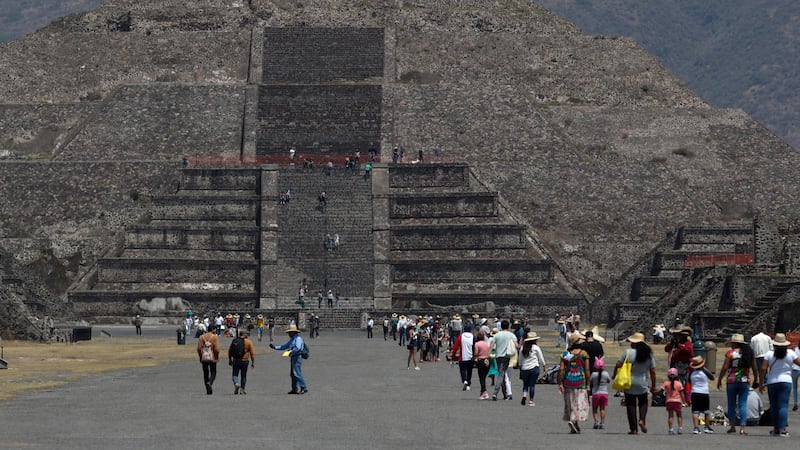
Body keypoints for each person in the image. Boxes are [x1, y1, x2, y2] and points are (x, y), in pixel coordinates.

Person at [758, 333, 800, 437]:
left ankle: (776, 428)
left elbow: (763, 368)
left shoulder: (769, 354)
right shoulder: (790, 353)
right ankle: (782, 429)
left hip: (772, 381)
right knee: (783, 406)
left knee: (774, 406)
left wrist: (761, 382)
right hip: (786, 381)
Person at [717, 333, 759, 435]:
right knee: (742, 404)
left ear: (735, 343)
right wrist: (756, 379)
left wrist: (719, 379)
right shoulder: (748, 353)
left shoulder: (730, 353)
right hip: (744, 380)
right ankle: (742, 428)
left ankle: (732, 426)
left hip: (731, 381)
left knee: (731, 404)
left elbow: (725, 367)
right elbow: (754, 368)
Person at [615, 332, 656, 435]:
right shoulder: (648, 354)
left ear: (633, 343)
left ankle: (633, 429)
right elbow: (653, 371)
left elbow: (618, 364)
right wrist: (654, 385)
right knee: (643, 402)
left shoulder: (628, 352)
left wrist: (615, 374)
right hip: (642, 381)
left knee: (630, 404)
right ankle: (642, 419)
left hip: (629, 380)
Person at [559, 333, 590, 434]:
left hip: (568, 381)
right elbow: (587, 369)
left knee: (570, 402)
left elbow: (561, 369)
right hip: (580, 381)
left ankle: (575, 423)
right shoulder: (583, 354)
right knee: (580, 403)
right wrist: (589, 383)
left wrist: (559, 383)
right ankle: (574, 420)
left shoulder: (565, 354)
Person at [270, 324, 308, 394]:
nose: (289, 334)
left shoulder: (298, 339)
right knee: (293, 374)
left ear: (294, 332)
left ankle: (303, 387)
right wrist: (275, 347)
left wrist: (292, 352)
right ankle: (294, 389)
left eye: (290, 332)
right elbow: (285, 346)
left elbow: (298, 348)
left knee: (297, 373)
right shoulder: (293, 339)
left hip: (297, 357)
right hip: (293, 356)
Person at [491, 319, 518, 401]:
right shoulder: (511, 335)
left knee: (501, 374)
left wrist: (487, 356)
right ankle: (495, 393)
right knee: (501, 375)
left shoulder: (497, 335)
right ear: (508, 326)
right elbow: (516, 346)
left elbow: (491, 346)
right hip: (506, 356)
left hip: (498, 356)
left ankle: (505, 393)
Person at [688, 355, 715, 434]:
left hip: (695, 392)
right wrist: (705, 368)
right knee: (706, 410)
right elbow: (712, 377)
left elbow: (689, 381)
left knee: (695, 411)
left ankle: (696, 427)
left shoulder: (692, 373)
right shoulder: (704, 372)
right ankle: (707, 426)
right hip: (704, 392)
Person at [665, 325, 693, 399]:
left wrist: (680, 346)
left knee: (682, 381)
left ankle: (684, 397)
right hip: (674, 363)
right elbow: (666, 349)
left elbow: (688, 351)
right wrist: (672, 344)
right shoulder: (675, 343)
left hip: (683, 364)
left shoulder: (687, 343)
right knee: (673, 380)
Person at [519, 331, 546, 406]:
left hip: (524, 368)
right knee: (532, 384)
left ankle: (524, 395)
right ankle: (531, 400)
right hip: (534, 367)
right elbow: (541, 358)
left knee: (525, 384)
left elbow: (520, 359)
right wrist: (544, 366)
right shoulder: (536, 348)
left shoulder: (522, 348)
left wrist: (520, 366)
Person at [658, 367, 686, 435]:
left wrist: (655, 392)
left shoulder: (666, 383)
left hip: (669, 401)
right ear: (677, 376)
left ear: (668, 376)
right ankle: (680, 428)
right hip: (677, 401)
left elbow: (660, 391)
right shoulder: (679, 384)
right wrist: (684, 402)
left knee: (670, 416)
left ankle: (671, 429)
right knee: (679, 415)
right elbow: (682, 393)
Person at [228, 330, 255, 395]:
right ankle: (242, 390)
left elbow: (230, 351)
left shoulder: (235, 341)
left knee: (235, 374)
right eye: (247, 334)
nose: (248, 335)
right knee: (243, 376)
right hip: (245, 361)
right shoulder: (248, 342)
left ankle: (236, 383)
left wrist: (230, 359)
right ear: (244, 334)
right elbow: (252, 353)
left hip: (236, 360)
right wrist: (253, 362)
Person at [197, 324, 220, 395]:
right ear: (213, 329)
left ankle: (208, 389)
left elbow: (199, 348)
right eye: (215, 329)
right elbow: (217, 349)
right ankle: (210, 382)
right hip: (212, 357)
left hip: (204, 357)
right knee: (213, 372)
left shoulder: (201, 337)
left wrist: (200, 356)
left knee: (205, 373)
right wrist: (216, 356)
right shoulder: (215, 337)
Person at [590, 358, 611, 430]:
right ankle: (602, 423)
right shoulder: (606, 374)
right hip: (604, 393)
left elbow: (591, 382)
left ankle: (596, 422)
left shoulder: (593, 374)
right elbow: (609, 381)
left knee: (595, 409)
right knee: (602, 409)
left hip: (596, 393)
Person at [452, 324, 474, 391]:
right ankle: (468, 383)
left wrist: (453, 355)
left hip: (463, 356)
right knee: (469, 370)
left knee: (463, 370)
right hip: (471, 356)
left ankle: (464, 380)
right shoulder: (473, 337)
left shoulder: (461, 337)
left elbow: (455, 347)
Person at [473, 330, 491, 400]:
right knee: (484, 377)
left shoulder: (477, 344)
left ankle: (484, 392)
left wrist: (474, 357)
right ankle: (482, 391)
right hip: (487, 360)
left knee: (481, 378)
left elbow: (476, 353)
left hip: (481, 361)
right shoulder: (486, 344)